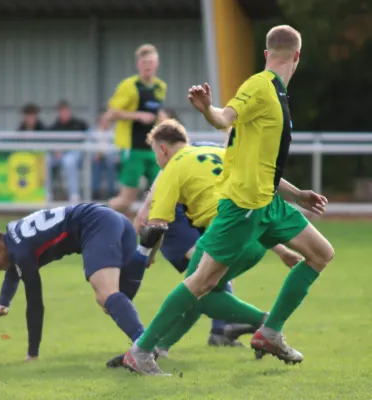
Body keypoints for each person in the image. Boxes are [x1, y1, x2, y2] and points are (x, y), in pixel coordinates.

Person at [123, 25, 334, 375]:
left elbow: (258, 160)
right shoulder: (259, 85)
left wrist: (297, 195)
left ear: (269, 53)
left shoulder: (278, 94)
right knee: (202, 282)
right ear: (297, 56)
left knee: (320, 254)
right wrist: (208, 109)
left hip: (268, 202)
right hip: (243, 207)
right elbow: (224, 118)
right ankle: (141, 351)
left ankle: (269, 331)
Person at [107, 120, 301, 370]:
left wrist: (146, 254)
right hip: (257, 240)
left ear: (163, 149)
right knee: (201, 288)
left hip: (226, 236)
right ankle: (158, 347)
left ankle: (265, 324)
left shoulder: (173, 168)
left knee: (195, 292)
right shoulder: (217, 151)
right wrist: (282, 248)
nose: (156, 160)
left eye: (155, 152)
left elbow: (154, 223)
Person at [0, 204, 167, 361]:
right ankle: (144, 249)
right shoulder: (13, 237)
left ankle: (144, 347)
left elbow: (35, 304)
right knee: (118, 300)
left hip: (94, 224)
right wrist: (3, 301)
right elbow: (14, 269)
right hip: (113, 218)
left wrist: (32, 353)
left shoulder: (21, 253)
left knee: (106, 295)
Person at [102, 44, 167, 214]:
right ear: (138, 65)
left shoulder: (160, 87)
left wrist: (166, 123)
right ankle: (98, 215)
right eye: (144, 62)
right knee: (126, 200)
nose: (147, 66)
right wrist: (137, 115)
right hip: (132, 148)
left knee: (159, 193)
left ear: (156, 64)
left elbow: (156, 110)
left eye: (151, 62)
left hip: (152, 148)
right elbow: (111, 113)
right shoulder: (129, 86)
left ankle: (155, 233)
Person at [48, 100, 89, 203]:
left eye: (66, 111)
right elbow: (50, 142)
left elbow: (88, 137)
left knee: (69, 161)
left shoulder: (80, 124)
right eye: (62, 111)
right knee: (47, 161)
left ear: (69, 111)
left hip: (76, 153)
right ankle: (46, 193)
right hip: (58, 154)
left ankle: (74, 194)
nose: (64, 114)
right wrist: (56, 150)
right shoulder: (54, 126)